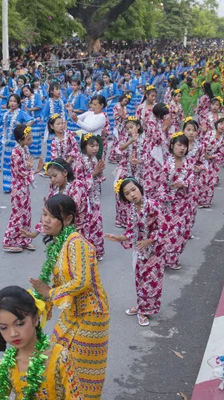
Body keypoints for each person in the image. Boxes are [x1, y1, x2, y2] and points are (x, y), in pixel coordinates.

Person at [29, 194, 109, 398]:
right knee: (52, 361)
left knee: (79, 374)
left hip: (91, 316)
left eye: (52, 216)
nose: (45, 220)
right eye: (44, 214)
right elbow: (58, 286)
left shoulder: (75, 242)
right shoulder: (59, 243)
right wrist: (38, 305)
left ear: (68, 219)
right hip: (71, 314)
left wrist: (50, 292)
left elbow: (82, 281)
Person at [0, 286, 82, 399]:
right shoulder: (7, 363)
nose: (12, 333)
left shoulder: (60, 357)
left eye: (20, 324)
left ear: (35, 319)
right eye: (4, 327)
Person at [105, 177, 167, 327]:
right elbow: (132, 232)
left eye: (133, 189)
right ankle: (141, 306)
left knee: (151, 283)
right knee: (140, 280)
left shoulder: (153, 205)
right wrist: (119, 237)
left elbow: (164, 227)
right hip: (141, 251)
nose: (132, 194)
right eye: (127, 193)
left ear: (139, 188)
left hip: (155, 252)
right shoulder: (132, 209)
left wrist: (149, 241)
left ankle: (145, 311)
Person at [157, 132, 194, 270]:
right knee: (168, 232)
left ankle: (173, 258)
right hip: (168, 204)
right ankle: (166, 258)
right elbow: (161, 183)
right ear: (172, 146)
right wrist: (164, 198)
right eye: (179, 145)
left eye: (184, 145)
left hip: (183, 204)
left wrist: (182, 184)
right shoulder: (167, 164)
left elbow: (191, 179)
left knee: (181, 232)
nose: (182, 148)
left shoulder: (189, 163)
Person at [3, 125, 41, 253]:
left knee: (26, 214)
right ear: (21, 139)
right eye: (29, 139)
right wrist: (34, 170)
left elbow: (26, 168)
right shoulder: (16, 152)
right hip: (18, 188)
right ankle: (8, 241)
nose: (31, 141)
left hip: (24, 188)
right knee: (17, 215)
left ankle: (23, 239)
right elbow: (21, 172)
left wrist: (30, 168)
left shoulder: (24, 149)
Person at [75, 133, 106, 260]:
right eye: (91, 145)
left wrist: (99, 172)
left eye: (97, 145)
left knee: (97, 222)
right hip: (84, 199)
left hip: (94, 197)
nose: (95, 148)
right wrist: (94, 174)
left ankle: (96, 250)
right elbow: (78, 183)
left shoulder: (94, 159)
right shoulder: (79, 161)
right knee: (86, 224)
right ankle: (85, 252)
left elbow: (98, 178)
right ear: (84, 146)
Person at [0, 94, 34, 193]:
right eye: (10, 101)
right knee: (7, 164)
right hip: (7, 143)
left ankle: (16, 184)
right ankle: (7, 186)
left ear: (18, 103)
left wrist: (22, 128)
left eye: (14, 101)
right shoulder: (6, 114)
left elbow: (31, 121)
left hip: (16, 144)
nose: (12, 103)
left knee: (17, 165)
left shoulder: (21, 113)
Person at [198, 116, 224, 208]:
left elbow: (222, 153)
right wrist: (204, 156)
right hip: (202, 159)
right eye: (221, 123)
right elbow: (202, 144)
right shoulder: (209, 133)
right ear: (217, 124)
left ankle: (206, 201)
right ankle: (199, 200)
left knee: (211, 181)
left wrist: (211, 156)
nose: (222, 126)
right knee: (201, 180)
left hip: (213, 163)